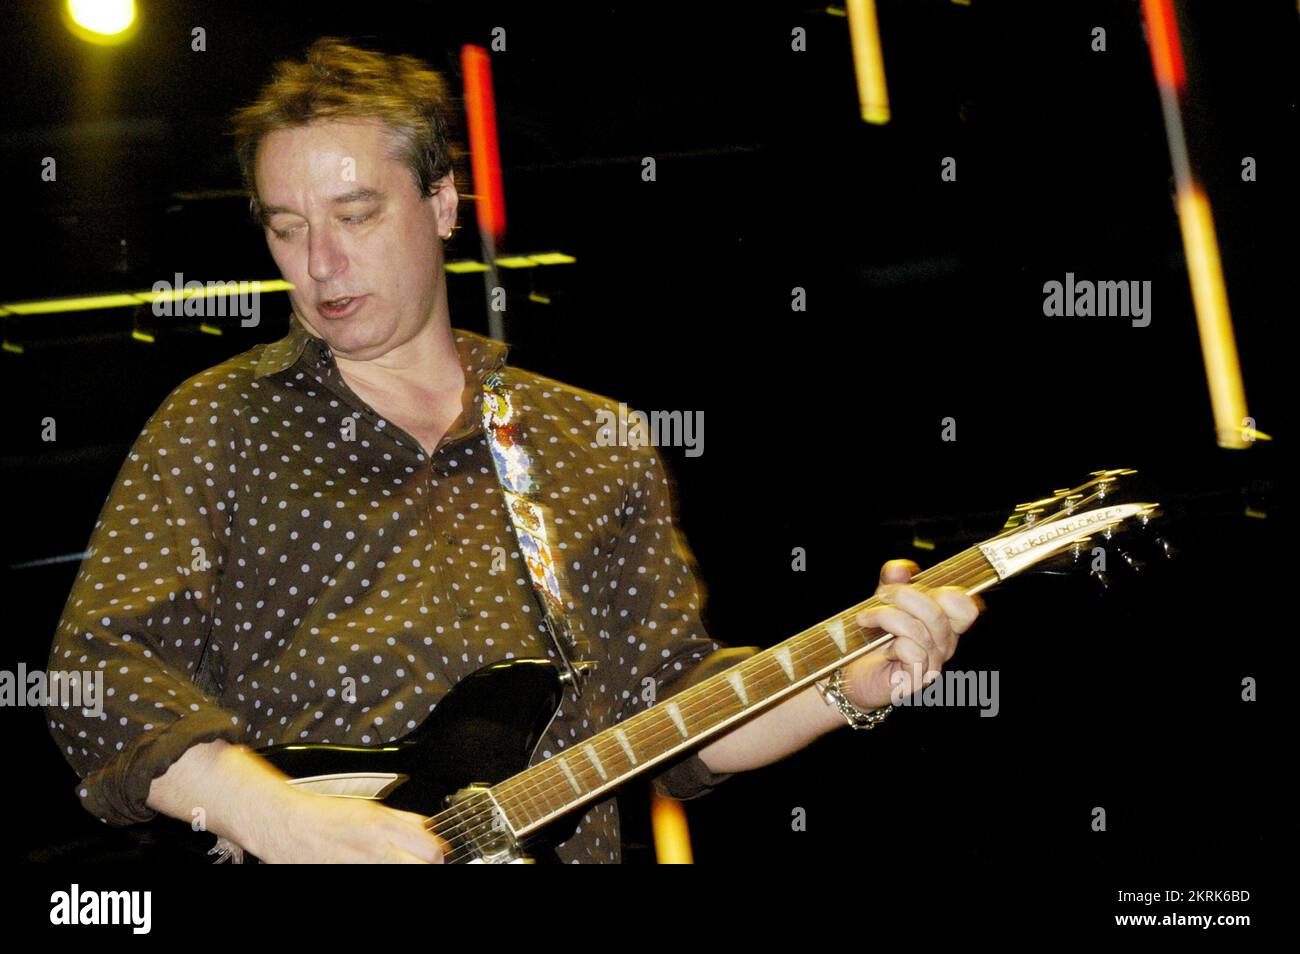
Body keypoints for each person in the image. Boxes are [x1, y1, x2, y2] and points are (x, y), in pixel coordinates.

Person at [43, 37, 981, 863]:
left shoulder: (587, 440)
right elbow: (96, 672)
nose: (319, 261)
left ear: (443, 201)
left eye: (356, 213)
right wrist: (283, 820)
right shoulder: (217, 424)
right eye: (287, 228)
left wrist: (848, 683)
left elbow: (671, 711)